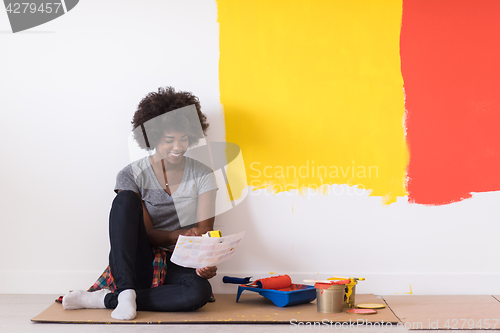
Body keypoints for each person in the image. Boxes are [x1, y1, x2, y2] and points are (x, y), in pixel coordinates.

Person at [62, 87, 218, 320]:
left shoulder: (203, 175)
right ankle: (125, 291)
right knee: (124, 199)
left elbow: (205, 233)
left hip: (181, 260)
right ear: (152, 137)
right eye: (169, 140)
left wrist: (205, 265)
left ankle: (106, 299)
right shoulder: (131, 175)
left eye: (184, 139)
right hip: (139, 261)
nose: (178, 146)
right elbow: (148, 235)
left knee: (199, 292)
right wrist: (181, 234)